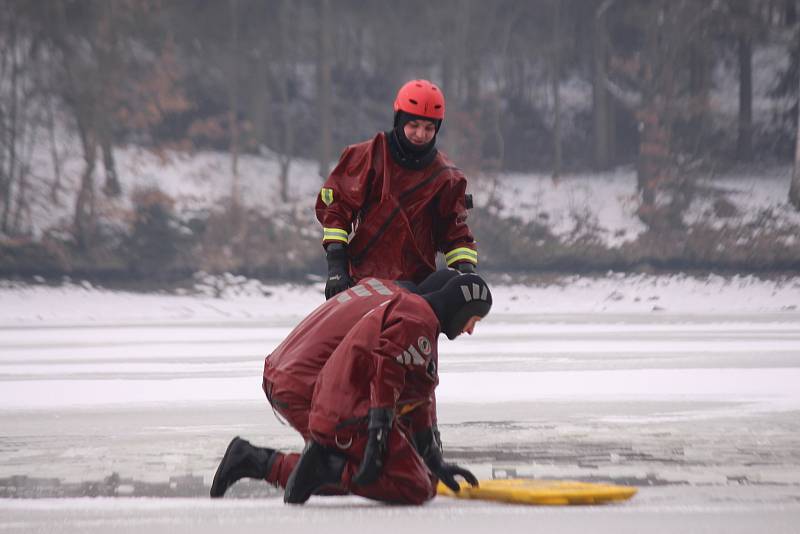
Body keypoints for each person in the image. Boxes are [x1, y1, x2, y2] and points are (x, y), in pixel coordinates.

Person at [210, 272, 493, 505]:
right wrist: (419, 451)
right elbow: (403, 380)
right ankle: (258, 462)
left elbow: (411, 384)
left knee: (364, 463)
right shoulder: (408, 314)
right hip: (306, 384)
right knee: (365, 473)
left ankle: (269, 462)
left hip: (283, 371)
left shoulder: (379, 287)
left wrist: (428, 454)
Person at [317, 79, 479, 300]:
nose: (421, 134)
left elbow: (454, 232)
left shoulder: (446, 177)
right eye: (414, 125)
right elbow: (336, 211)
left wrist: (466, 272)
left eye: (429, 128)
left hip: (418, 288)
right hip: (363, 282)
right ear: (399, 120)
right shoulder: (368, 156)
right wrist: (336, 268)